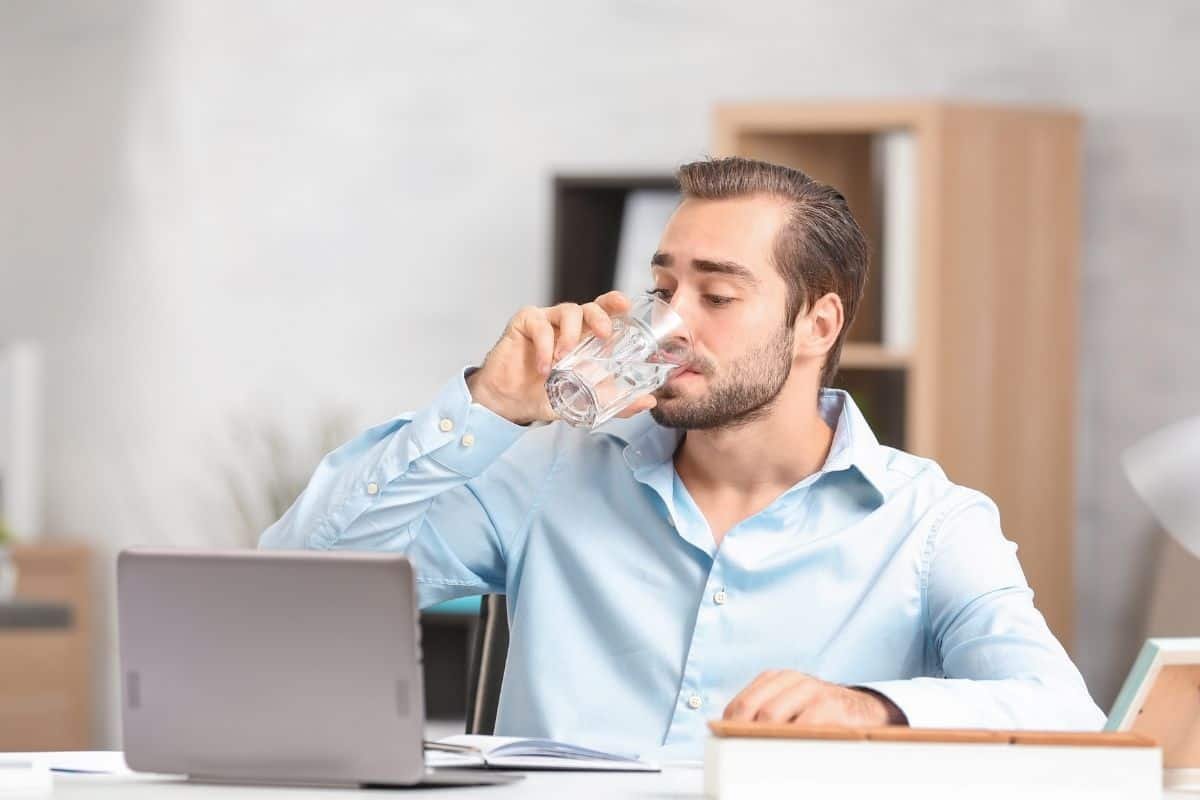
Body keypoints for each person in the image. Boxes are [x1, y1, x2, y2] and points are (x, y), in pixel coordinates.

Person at [260, 156, 1104, 758]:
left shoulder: (927, 524)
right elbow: (296, 585)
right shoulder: (549, 473)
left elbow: (1067, 713)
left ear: (818, 325)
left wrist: (872, 708)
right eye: (664, 289)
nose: (673, 321)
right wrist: (484, 409)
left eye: (720, 295)